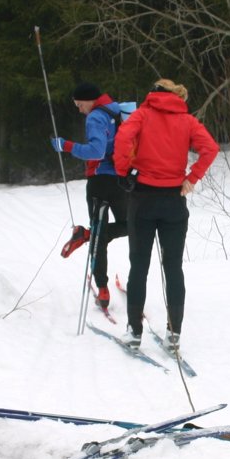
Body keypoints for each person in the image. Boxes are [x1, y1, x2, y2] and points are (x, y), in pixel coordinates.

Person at [111, 79, 218, 352]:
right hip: (174, 200)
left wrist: (123, 171)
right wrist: (191, 177)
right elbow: (210, 148)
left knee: (139, 266)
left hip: (143, 198)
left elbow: (123, 138)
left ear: (155, 93)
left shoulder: (143, 114)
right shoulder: (187, 120)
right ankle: (174, 335)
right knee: (173, 267)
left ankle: (134, 332)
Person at [51, 81, 130, 308]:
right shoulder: (119, 110)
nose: (79, 109)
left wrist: (66, 146)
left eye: (79, 104)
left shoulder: (95, 117)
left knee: (98, 238)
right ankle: (89, 235)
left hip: (99, 181)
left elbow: (96, 150)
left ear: (88, 99)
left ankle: (102, 288)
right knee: (130, 224)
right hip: (123, 180)